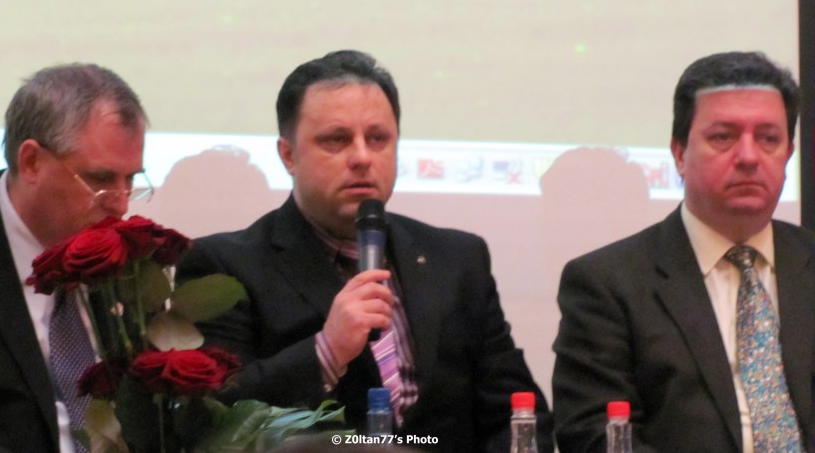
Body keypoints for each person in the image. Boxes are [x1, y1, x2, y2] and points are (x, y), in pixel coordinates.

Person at [176, 50, 553, 452]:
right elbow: (217, 423)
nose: (361, 157)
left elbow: (517, 414)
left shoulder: (457, 259)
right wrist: (327, 350)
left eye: (378, 139)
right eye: (336, 140)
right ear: (288, 155)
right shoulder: (224, 267)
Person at [551, 51, 815, 452]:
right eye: (723, 137)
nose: (748, 157)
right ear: (679, 153)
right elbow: (594, 435)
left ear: (789, 153)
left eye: (768, 139)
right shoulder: (608, 284)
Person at [0, 64, 149, 452]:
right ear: (31, 161)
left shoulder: (125, 263)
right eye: (100, 180)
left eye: (131, 180)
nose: (121, 206)